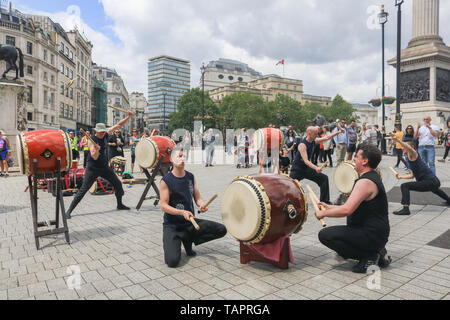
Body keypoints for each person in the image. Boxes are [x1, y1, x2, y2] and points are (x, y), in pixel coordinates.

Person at [317, 144, 391, 273]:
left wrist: (324, 214)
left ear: (365, 161)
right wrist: (329, 207)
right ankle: (375, 250)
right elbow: (350, 205)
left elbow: (347, 210)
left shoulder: (365, 182)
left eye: (356, 157)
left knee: (325, 235)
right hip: (372, 232)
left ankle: (370, 256)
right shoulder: (371, 177)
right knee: (336, 236)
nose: (354, 159)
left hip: (371, 234)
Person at [160, 147, 227, 268]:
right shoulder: (166, 180)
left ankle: (188, 239)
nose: (182, 159)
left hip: (190, 224)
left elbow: (197, 198)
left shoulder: (190, 177)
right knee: (172, 262)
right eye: (179, 156)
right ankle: (179, 240)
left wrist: (201, 204)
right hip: (172, 226)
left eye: (183, 156)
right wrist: (181, 212)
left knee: (221, 230)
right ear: (171, 159)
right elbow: (163, 206)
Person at [65, 111, 134, 219]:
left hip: (104, 167)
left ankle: (119, 204)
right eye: (100, 132)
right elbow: (94, 156)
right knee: (83, 190)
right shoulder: (91, 140)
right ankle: (68, 211)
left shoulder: (106, 134)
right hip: (92, 168)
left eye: (103, 132)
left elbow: (118, 125)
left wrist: (128, 116)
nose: (102, 134)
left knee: (118, 184)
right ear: (96, 131)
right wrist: (96, 150)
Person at [391, 133, 450, 215]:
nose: (402, 148)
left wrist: (397, 140)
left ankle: (406, 208)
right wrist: (401, 176)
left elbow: (409, 148)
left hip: (431, 181)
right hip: (433, 181)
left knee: (404, 186)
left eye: (403, 146)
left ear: (411, 148)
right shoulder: (408, 159)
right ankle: (449, 200)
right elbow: (412, 176)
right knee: (434, 189)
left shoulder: (414, 154)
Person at [290, 126, 343, 204]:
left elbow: (327, 138)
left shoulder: (314, 140)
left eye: (317, 133)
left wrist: (338, 132)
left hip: (306, 169)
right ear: (309, 133)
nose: (317, 135)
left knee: (324, 179)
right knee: (290, 186)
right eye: (315, 134)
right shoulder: (302, 145)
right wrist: (316, 168)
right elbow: (306, 161)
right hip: (297, 169)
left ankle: (325, 201)